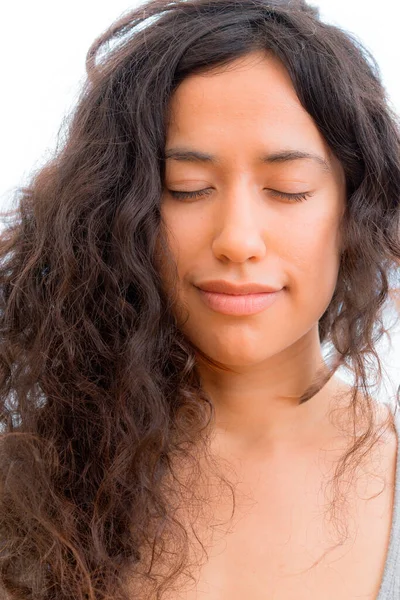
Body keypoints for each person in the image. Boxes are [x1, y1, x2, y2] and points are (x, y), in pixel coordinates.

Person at [0, 0, 399, 598]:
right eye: (186, 190)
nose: (237, 239)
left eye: (288, 191)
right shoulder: (26, 480)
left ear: (355, 209)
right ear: (119, 211)